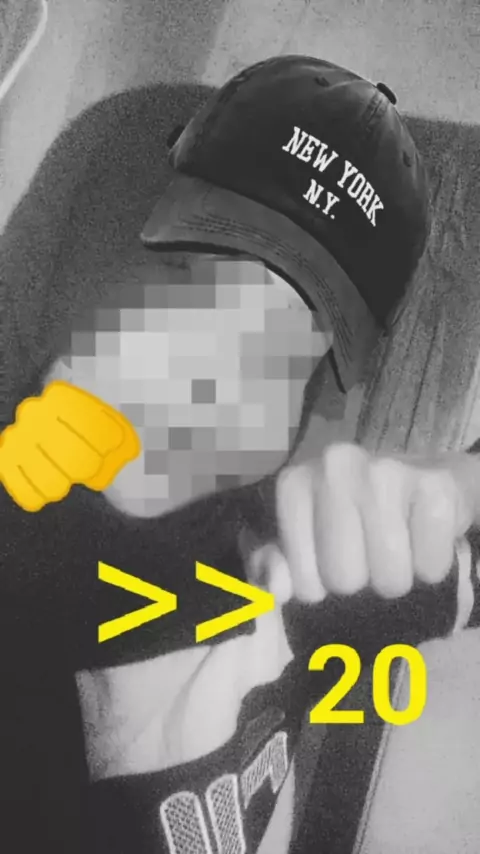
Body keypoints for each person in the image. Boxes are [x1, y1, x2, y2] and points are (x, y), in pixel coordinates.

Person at [1, 54, 480, 854]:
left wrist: (462, 486)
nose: (210, 378)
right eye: (193, 277)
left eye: (280, 353)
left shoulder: (301, 568)